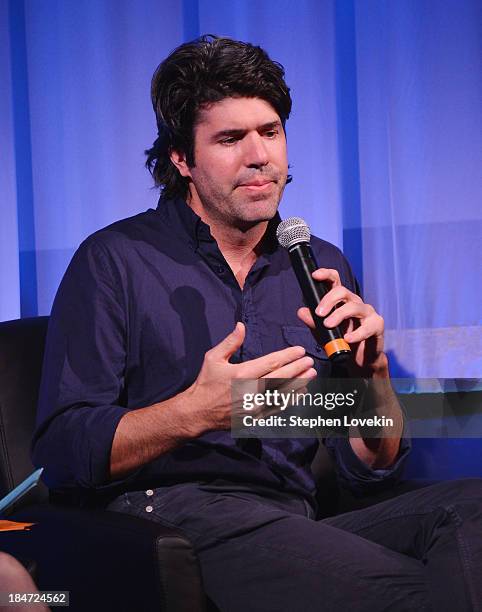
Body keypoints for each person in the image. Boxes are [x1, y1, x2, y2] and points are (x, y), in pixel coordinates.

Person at [32, 36, 482, 611]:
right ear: (180, 159)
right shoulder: (115, 260)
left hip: (298, 518)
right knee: (415, 595)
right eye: (229, 138)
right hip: (174, 518)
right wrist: (191, 414)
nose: (260, 155)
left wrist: (375, 378)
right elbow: (61, 452)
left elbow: (367, 469)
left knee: (471, 512)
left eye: (270, 132)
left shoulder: (318, 265)